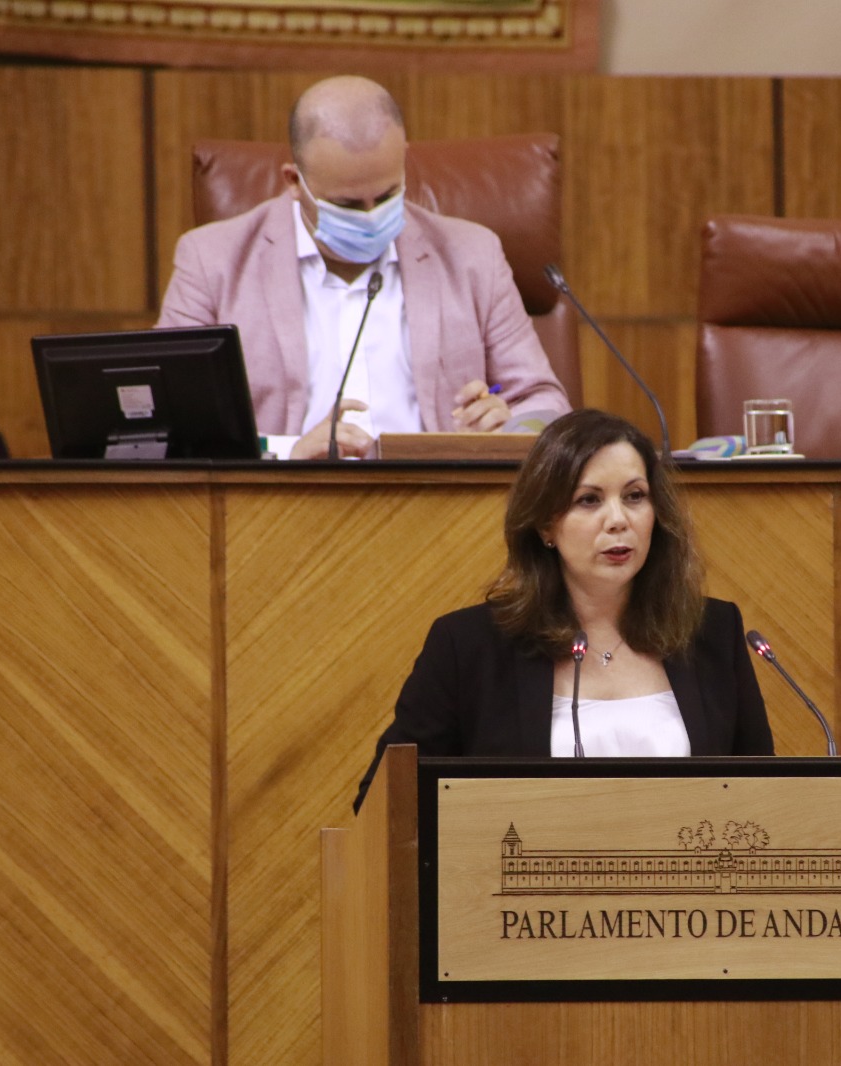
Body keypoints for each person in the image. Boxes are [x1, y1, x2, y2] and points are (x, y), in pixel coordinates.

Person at [354, 408, 774, 810]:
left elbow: (764, 796)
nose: (618, 520)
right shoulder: (469, 647)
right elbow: (385, 801)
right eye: (589, 500)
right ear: (545, 524)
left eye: (634, 496)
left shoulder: (711, 632)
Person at [157, 75, 570, 459]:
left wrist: (508, 428)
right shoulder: (212, 261)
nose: (372, 217)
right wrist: (288, 453)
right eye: (348, 205)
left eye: (387, 195)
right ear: (293, 181)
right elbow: (173, 422)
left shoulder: (472, 255)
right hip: (280, 508)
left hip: (438, 508)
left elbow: (544, 403)